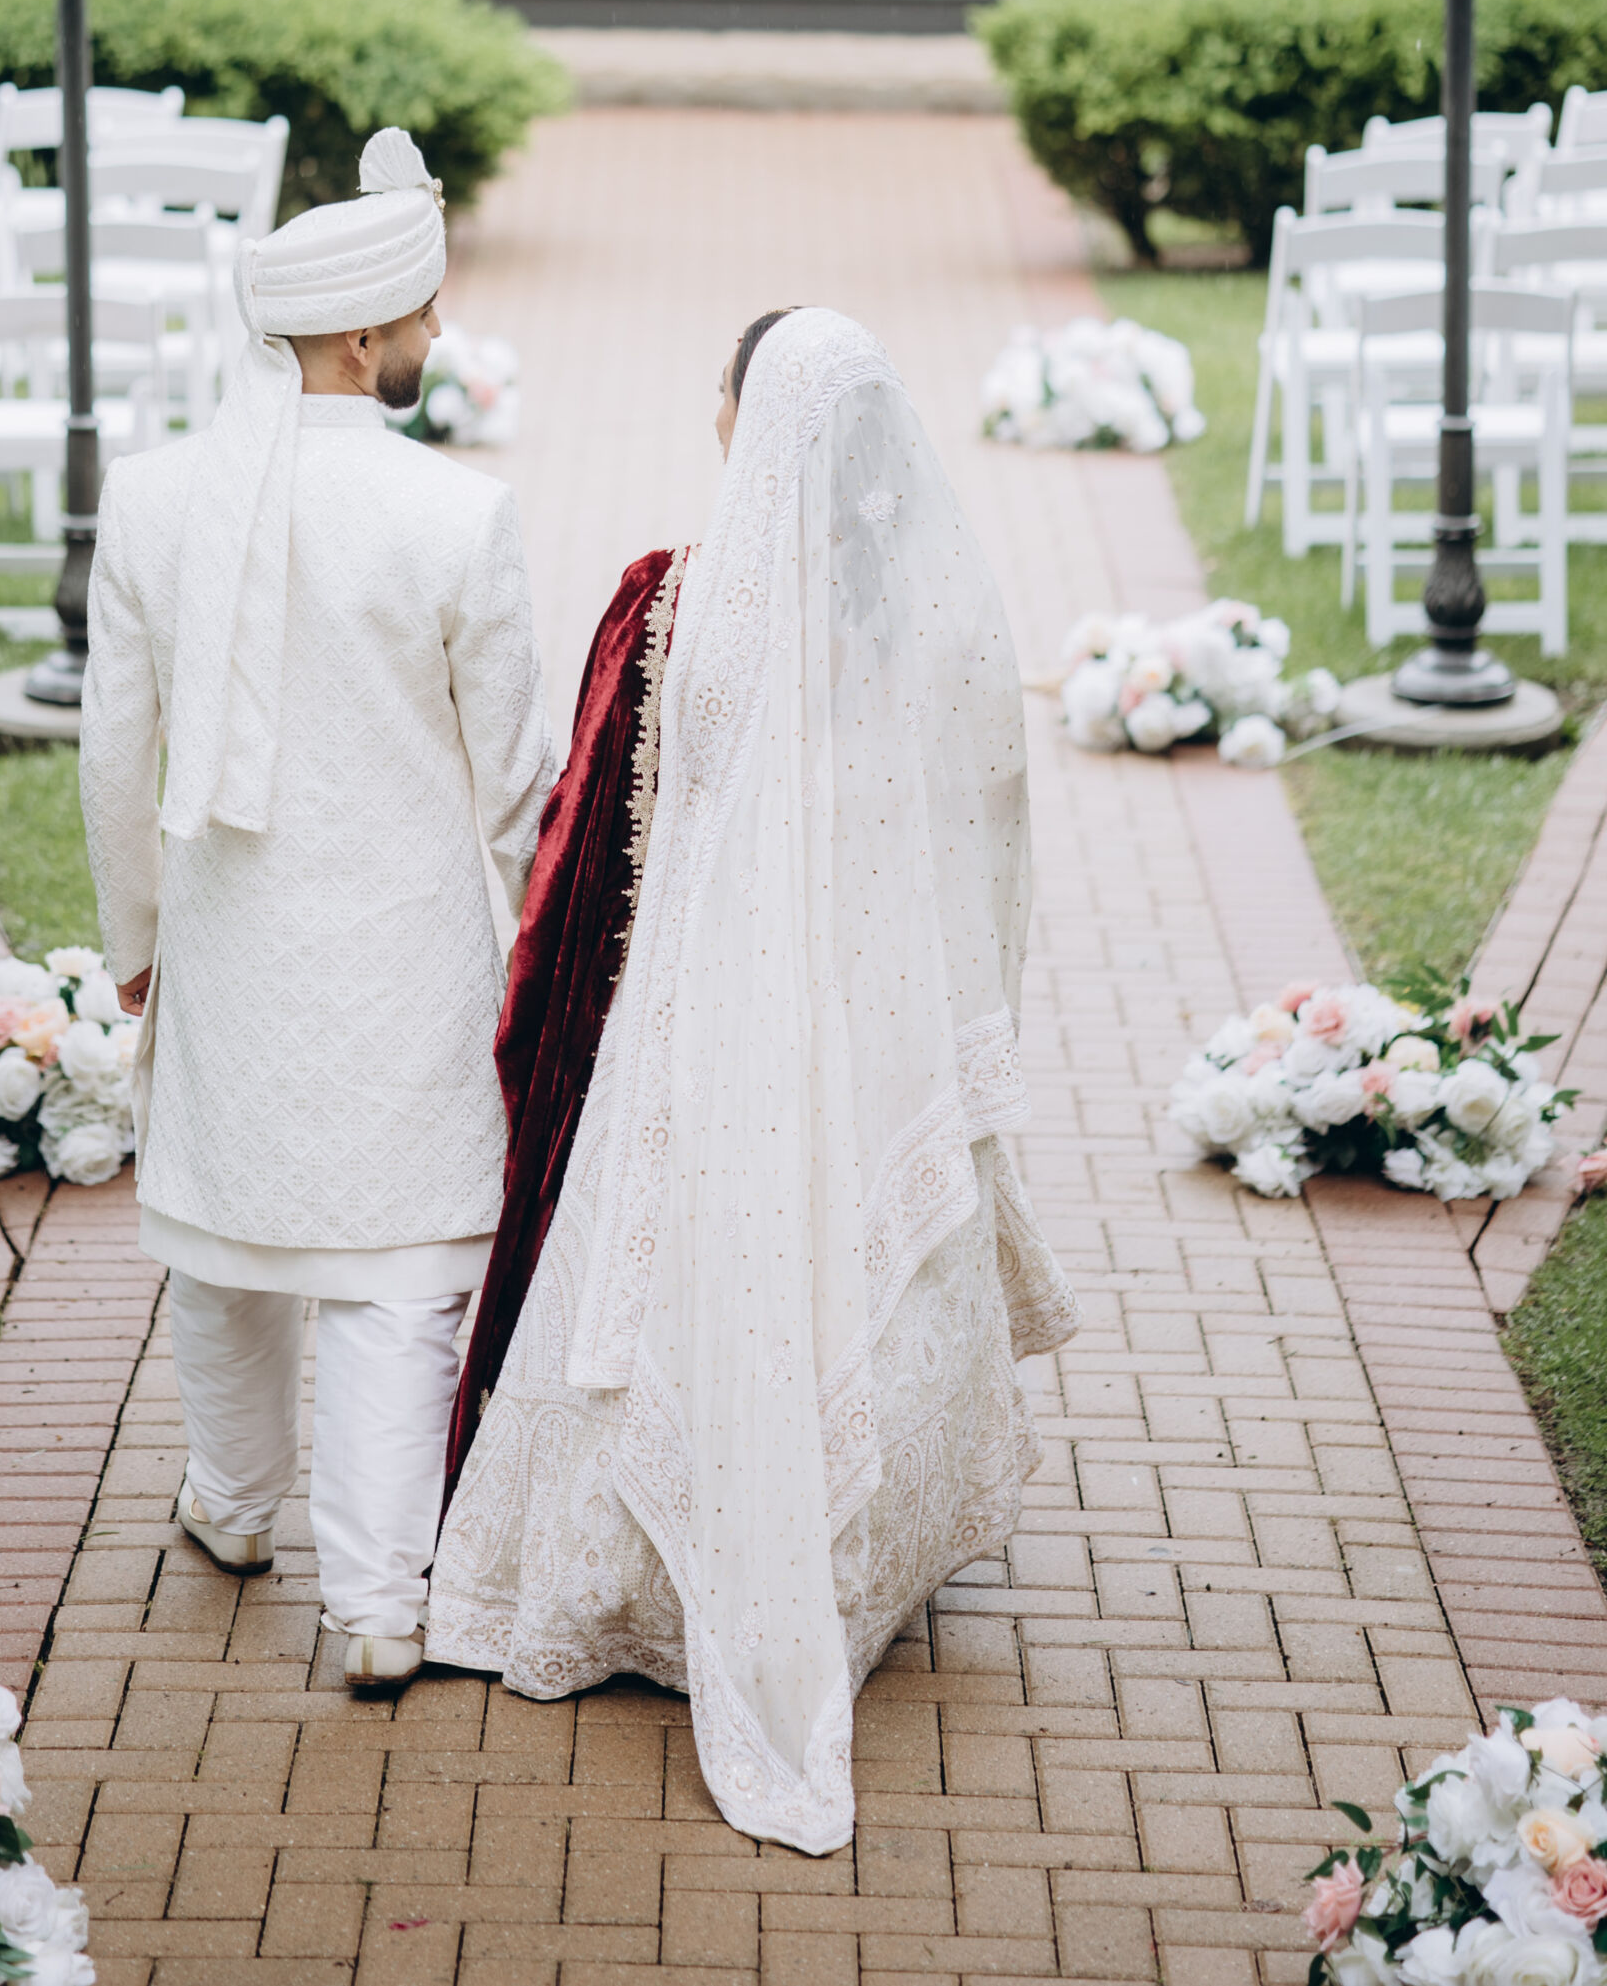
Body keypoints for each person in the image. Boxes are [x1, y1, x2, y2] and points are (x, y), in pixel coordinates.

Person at [428, 305, 1077, 1852]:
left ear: (755, 416)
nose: (717, 412)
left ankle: (639, 1574)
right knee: (863, 1277)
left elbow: (618, 819)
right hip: (868, 1008)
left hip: (705, 1007)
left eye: (727, 391)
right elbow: (983, 810)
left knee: (661, 1286)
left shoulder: (693, 608)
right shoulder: (933, 615)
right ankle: (858, 1548)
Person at [80, 128, 556, 1697]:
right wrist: (551, 948)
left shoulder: (153, 500)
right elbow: (517, 790)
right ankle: (379, 1603)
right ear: (360, 337)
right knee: (393, 1272)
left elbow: (113, 758)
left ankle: (230, 1507)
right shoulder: (458, 516)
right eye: (422, 313)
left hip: (230, 945)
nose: (436, 332)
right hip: (408, 959)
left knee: (228, 1243)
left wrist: (138, 941)